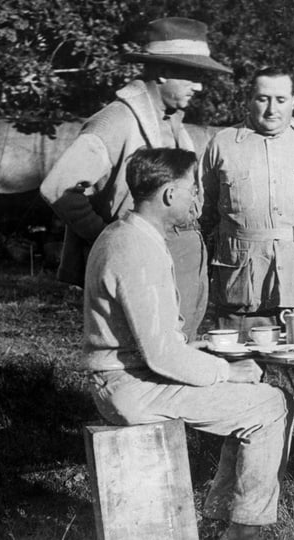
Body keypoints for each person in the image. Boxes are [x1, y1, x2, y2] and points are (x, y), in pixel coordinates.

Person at [84, 148, 289, 540]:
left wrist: (205, 353)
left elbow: (153, 338)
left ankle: (221, 514)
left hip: (131, 377)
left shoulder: (126, 233)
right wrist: (226, 371)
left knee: (260, 396)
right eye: (193, 188)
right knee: (268, 404)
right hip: (130, 387)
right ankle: (245, 530)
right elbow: (160, 354)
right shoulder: (135, 248)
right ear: (169, 195)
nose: (199, 197)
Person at [199, 66, 294, 467]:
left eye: (280, 99)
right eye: (262, 98)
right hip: (241, 284)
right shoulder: (222, 144)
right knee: (242, 377)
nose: (271, 108)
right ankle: (241, 473)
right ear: (248, 100)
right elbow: (205, 212)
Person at [41, 17, 230, 341]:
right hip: (140, 260)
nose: (199, 87)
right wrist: (107, 237)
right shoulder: (117, 120)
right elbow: (58, 187)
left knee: (182, 345)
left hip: (181, 255)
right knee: (151, 352)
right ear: (161, 71)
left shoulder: (173, 123)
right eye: (192, 75)